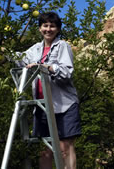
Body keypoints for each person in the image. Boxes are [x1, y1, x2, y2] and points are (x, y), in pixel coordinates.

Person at [15, 12, 81, 169]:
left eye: (52, 26)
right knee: (45, 150)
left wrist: (48, 67)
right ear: (39, 28)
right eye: (45, 25)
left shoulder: (63, 46)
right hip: (42, 104)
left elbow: (66, 72)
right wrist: (0, 53)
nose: (48, 29)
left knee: (65, 147)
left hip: (64, 104)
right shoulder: (35, 50)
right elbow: (20, 58)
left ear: (58, 29)